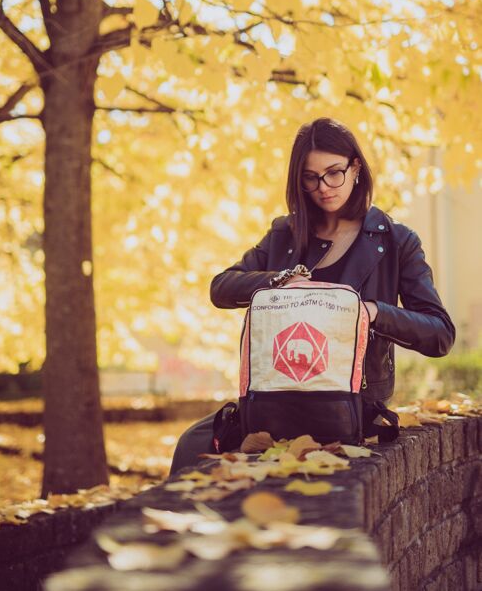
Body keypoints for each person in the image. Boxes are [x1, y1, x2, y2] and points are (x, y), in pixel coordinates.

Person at [169, 117, 455, 474]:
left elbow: (440, 334)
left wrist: (372, 312)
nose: (323, 187)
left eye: (334, 172)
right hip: (273, 403)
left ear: (355, 169)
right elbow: (221, 287)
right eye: (311, 177)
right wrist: (281, 281)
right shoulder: (285, 235)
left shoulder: (397, 241)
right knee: (191, 448)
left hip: (351, 410)